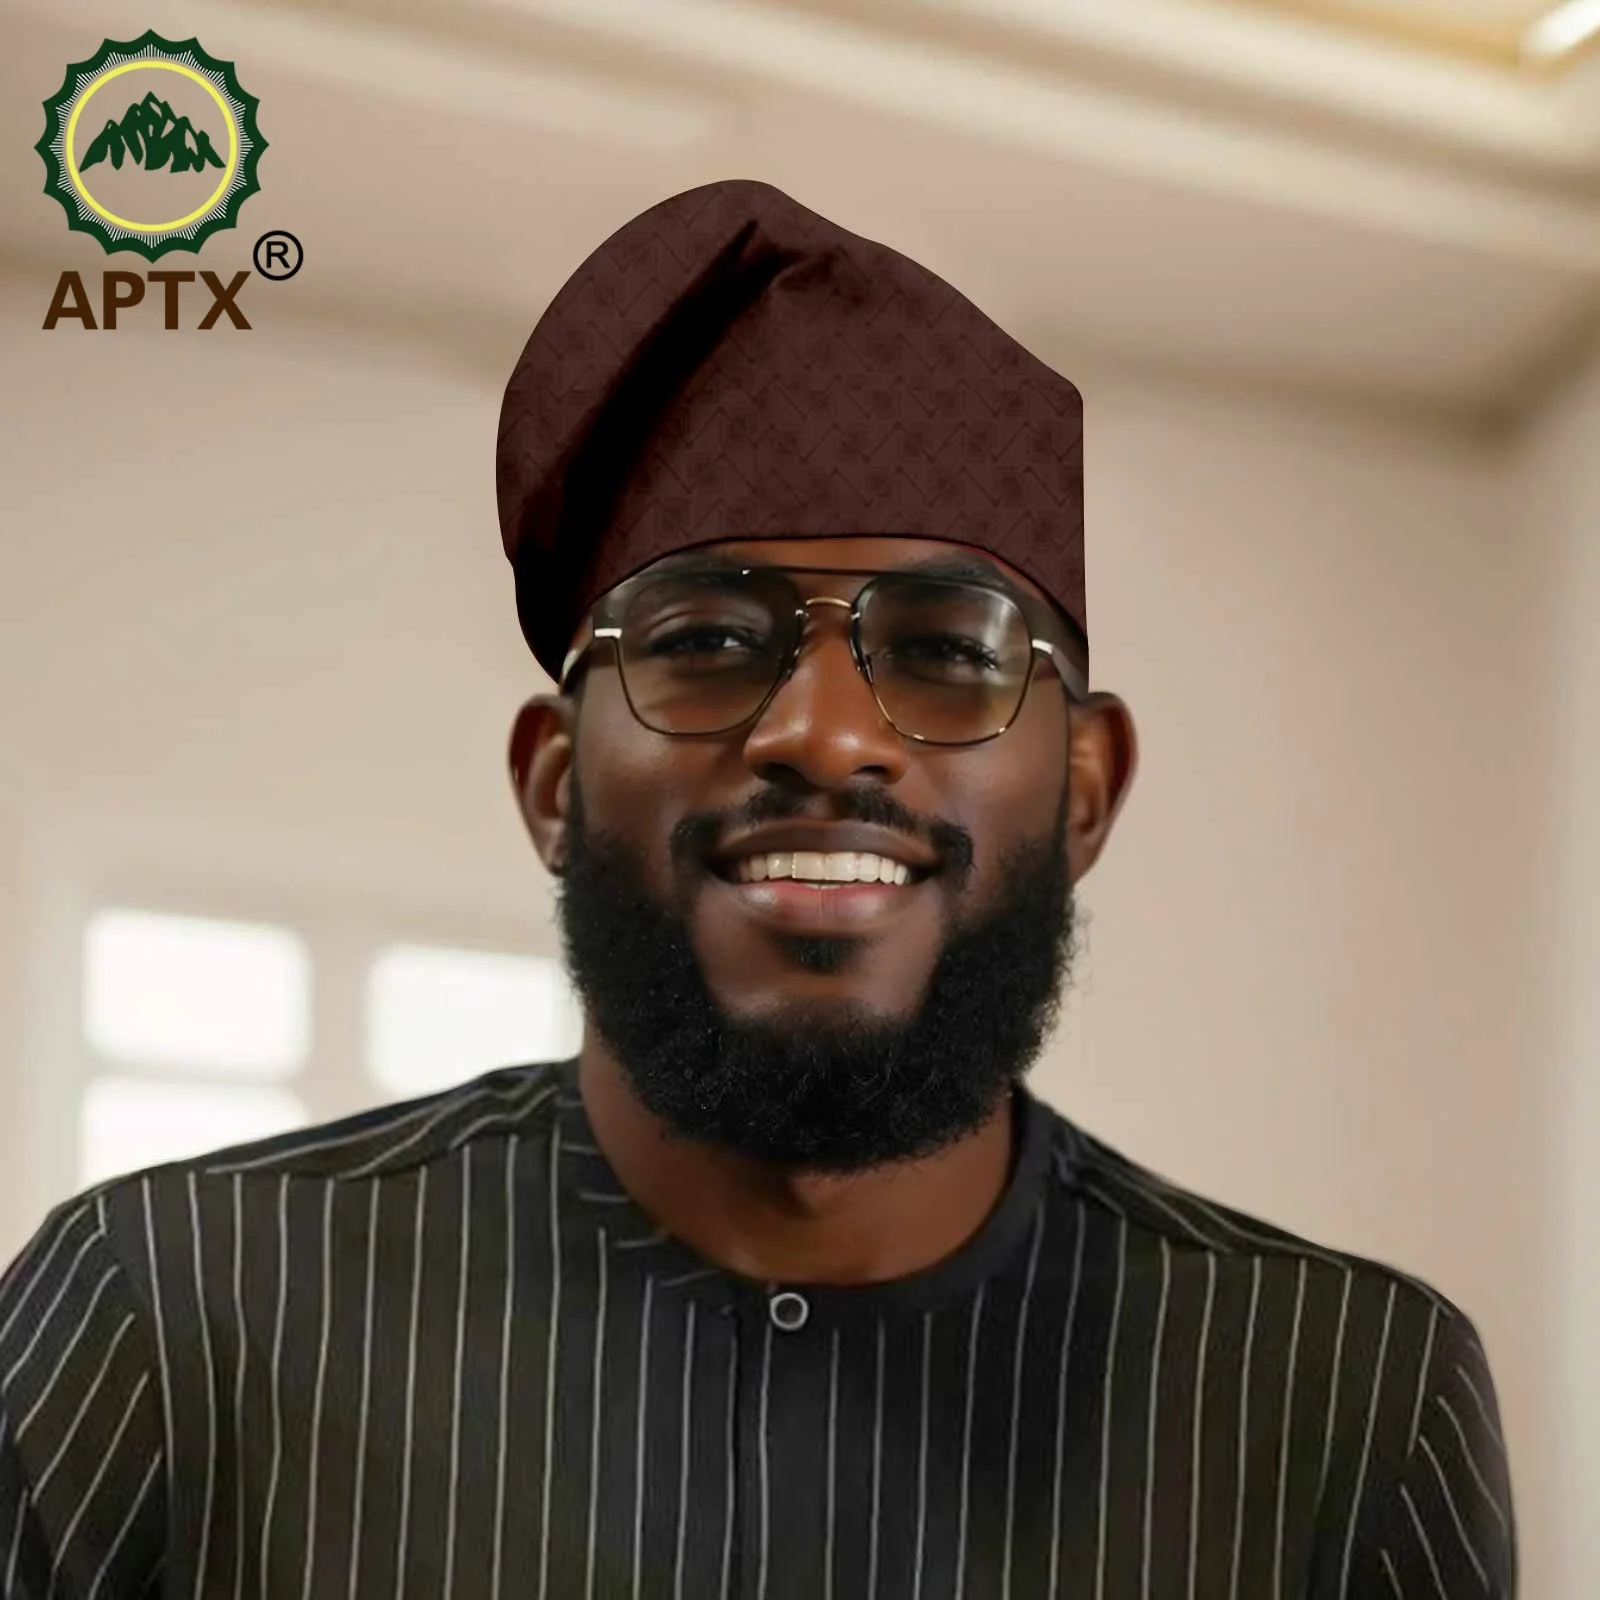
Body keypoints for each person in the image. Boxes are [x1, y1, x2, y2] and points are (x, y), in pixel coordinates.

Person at [0, 179, 1514, 1599]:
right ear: (553, 783)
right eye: (708, 641)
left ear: (1083, 787)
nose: (826, 735)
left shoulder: (1347, 1405)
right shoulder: (169, 1324)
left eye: (947, 648)